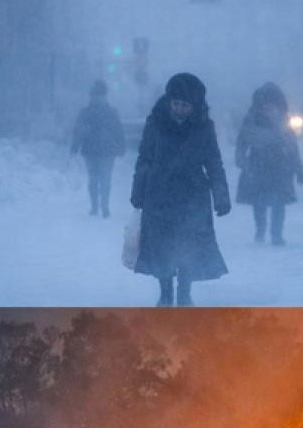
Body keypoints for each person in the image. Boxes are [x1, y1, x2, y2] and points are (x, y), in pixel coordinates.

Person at [130, 72, 231, 307]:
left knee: (189, 246)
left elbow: (214, 162)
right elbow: (144, 158)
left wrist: (221, 197)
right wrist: (138, 191)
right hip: (159, 196)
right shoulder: (155, 123)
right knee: (162, 247)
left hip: (192, 197)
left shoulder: (205, 128)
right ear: (168, 101)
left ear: (194, 106)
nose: (179, 109)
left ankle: (184, 292)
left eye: (185, 105)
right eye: (175, 103)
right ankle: (165, 293)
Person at [235, 82, 303, 245]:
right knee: (259, 201)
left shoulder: (284, 122)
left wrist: (298, 167)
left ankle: (276, 235)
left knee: (279, 202)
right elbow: (242, 141)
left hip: (280, 166)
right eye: (265, 104)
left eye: (272, 103)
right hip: (257, 165)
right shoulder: (251, 120)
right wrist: (242, 160)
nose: (268, 107)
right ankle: (260, 230)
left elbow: (292, 145)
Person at [71, 80, 127, 218]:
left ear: (104, 96)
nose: (97, 98)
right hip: (91, 151)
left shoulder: (110, 112)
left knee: (105, 180)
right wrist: (75, 146)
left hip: (106, 152)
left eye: (99, 95)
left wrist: (121, 146)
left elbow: (118, 131)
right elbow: (78, 131)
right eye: (95, 95)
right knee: (94, 179)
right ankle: (95, 207)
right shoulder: (86, 113)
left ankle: (104, 207)